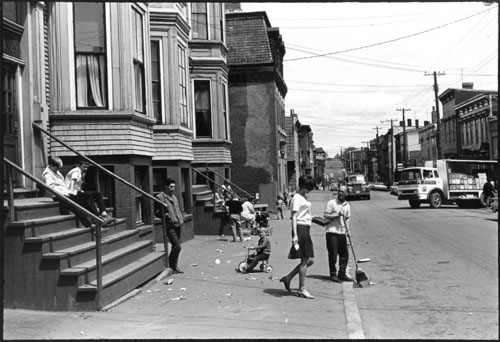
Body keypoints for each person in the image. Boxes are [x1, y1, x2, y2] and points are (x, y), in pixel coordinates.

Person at [42, 156, 111, 228]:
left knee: (84, 200)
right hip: (59, 196)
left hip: (66, 193)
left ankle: (98, 218)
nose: (58, 170)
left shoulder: (55, 171)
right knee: (77, 205)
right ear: (51, 165)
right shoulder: (48, 175)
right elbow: (51, 188)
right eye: (57, 168)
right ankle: (91, 223)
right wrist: (68, 193)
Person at [279, 175, 317, 299]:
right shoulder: (297, 198)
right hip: (300, 229)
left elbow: (302, 214)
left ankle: (288, 277)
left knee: (309, 260)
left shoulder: (302, 197)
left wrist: (311, 217)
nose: (310, 191)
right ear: (303, 186)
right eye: (308, 188)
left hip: (305, 227)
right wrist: (295, 235)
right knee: (305, 260)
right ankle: (302, 289)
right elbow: (294, 217)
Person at [323, 185, 354, 283]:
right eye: (339, 191)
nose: (341, 193)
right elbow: (326, 215)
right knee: (333, 254)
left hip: (342, 232)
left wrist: (348, 231)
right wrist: (336, 215)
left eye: (343, 192)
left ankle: (342, 273)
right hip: (332, 232)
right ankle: (333, 274)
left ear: (346, 194)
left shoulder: (347, 206)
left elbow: (347, 219)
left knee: (344, 254)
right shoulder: (331, 203)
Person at [156, 178, 184, 274]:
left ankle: (174, 266)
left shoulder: (174, 197)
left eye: (173, 187)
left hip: (177, 224)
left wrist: (181, 218)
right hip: (170, 225)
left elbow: (177, 209)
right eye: (171, 186)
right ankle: (171, 265)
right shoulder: (160, 197)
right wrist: (166, 216)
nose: (172, 189)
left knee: (175, 247)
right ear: (166, 186)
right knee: (177, 246)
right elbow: (156, 212)